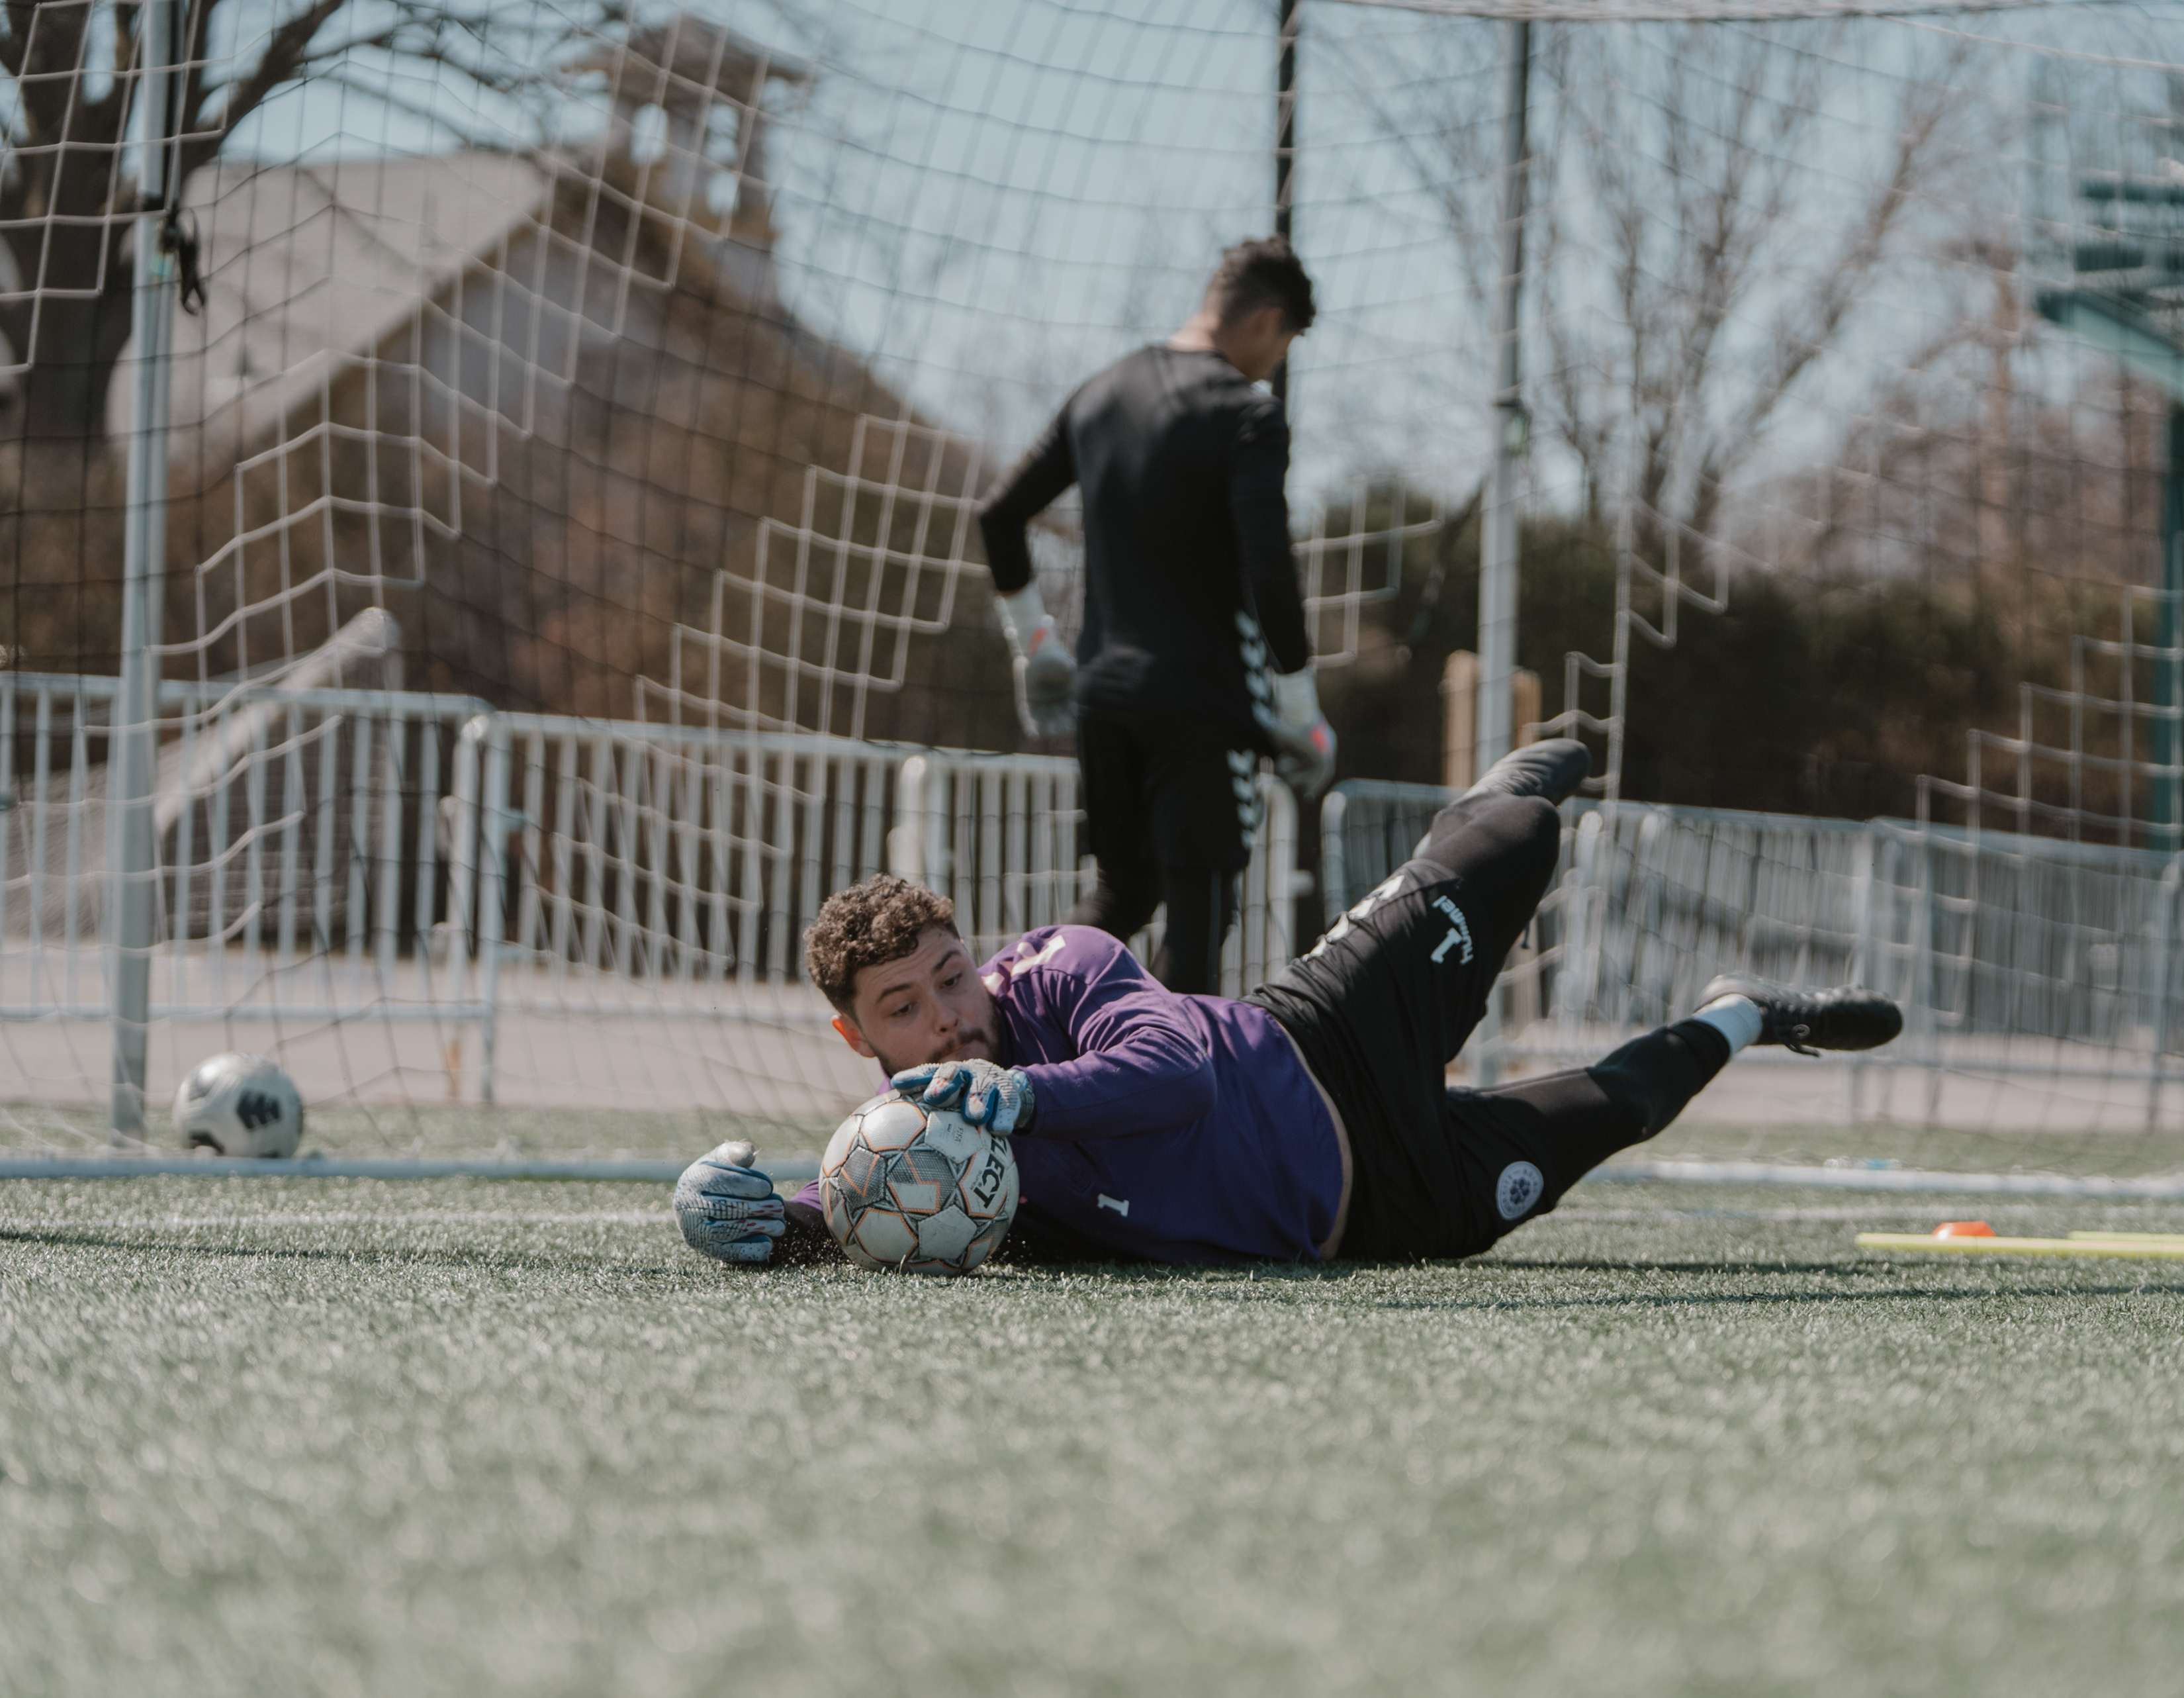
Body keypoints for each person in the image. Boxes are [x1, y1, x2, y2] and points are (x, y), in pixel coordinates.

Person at [672, 741, 1903, 1268]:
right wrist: (753, 1217)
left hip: (1326, 1035)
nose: (947, 1015)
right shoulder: (916, 1144)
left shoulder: (1061, 967)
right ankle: (1750, 1013)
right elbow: (861, 1210)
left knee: (1521, 836)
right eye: (904, 1008)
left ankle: (1484, 803)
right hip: (1386, 1214)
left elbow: (1177, 1073)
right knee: (1621, 1105)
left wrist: (1022, 1092)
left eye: (952, 974)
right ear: (857, 1037)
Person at [974, 235, 1335, 995]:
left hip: (1104, 699)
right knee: (1202, 917)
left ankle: (1005, 1026)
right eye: (1285, 348)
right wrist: (1300, 706)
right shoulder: (1247, 414)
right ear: (1269, 321)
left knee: (1123, 894)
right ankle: (1163, 1072)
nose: (1273, 366)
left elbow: (999, 514)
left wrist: (1035, 642)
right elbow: (1268, 567)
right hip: (1201, 707)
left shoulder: (1101, 392)